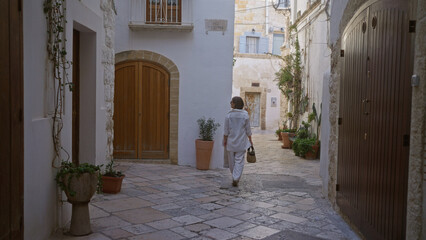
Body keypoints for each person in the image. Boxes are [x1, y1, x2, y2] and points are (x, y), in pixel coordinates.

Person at [223, 96, 253, 187]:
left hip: (231, 142)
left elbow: (226, 130)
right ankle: (236, 177)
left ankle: (234, 176)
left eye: (231, 102)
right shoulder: (245, 115)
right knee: (239, 161)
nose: (230, 103)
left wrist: (225, 140)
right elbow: (248, 130)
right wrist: (250, 140)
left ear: (235, 104)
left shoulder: (228, 115)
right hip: (241, 142)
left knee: (231, 162)